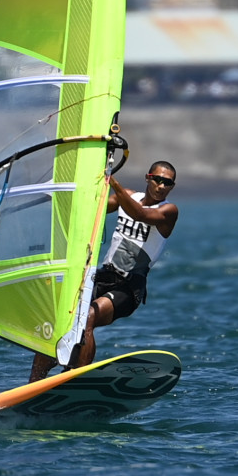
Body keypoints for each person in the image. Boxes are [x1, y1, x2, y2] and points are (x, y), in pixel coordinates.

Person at [29, 160, 179, 383]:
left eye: (167, 183)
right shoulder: (127, 197)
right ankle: (34, 383)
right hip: (103, 276)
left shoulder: (168, 211)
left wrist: (113, 182)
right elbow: (93, 208)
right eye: (157, 179)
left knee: (88, 317)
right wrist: (63, 193)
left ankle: (73, 378)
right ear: (148, 178)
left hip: (128, 288)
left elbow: (139, 214)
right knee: (62, 319)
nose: (161, 186)